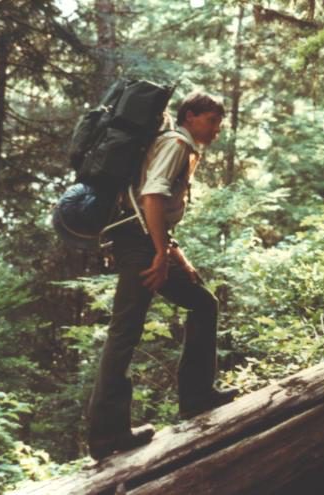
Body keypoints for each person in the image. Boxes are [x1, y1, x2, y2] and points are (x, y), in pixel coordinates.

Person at [86, 91, 237, 461]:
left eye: (219, 122)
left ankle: (196, 397)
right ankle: (107, 435)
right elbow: (151, 197)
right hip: (139, 246)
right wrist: (157, 253)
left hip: (147, 242)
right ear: (190, 115)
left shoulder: (180, 145)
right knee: (125, 331)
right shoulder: (176, 144)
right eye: (211, 120)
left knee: (202, 303)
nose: (216, 129)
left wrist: (174, 254)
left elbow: (153, 203)